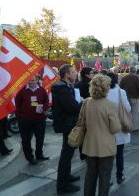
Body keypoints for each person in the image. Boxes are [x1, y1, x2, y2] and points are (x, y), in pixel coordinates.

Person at [81, 74, 121, 196]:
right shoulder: (110, 105)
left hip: (90, 145)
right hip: (106, 147)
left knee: (90, 175)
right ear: (106, 88)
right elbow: (115, 128)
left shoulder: (87, 102)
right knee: (105, 177)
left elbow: (81, 122)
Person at [52, 64, 82, 194]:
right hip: (67, 124)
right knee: (66, 155)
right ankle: (62, 186)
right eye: (73, 72)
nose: (76, 74)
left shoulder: (66, 87)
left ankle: (66, 177)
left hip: (68, 123)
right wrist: (82, 102)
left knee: (68, 154)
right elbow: (73, 108)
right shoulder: (62, 89)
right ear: (67, 74)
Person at [15, 75, 49, 165]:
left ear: (37, 80)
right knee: (26, 139)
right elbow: (16, 104)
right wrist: (19, 117)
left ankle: (39, 154)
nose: (31, 82)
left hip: (39, 119)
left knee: (40, 138)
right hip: (25, 120)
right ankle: (29, 157)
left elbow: (46, 101)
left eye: (33, 80)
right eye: (29, 80)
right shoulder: (21, 91)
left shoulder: (41, 90)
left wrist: (44, 108)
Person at [106, 72, 131, 184]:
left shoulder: (103, 92)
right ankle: (119, 176)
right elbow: (128, 108)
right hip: (119, 125)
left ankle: (108, 178)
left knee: (107, 155)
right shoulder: (121, 92)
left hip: (106, 126)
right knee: (119, 153)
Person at [119, 66, 139, 132]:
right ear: (135, 71)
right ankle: (134, 127)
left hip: (126, 97)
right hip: (135, 96)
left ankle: (128, 125)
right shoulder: (137, 77)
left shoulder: (124, 77)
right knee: (135, 113)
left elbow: (120, 86)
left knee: (128, 112)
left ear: (129, 71)